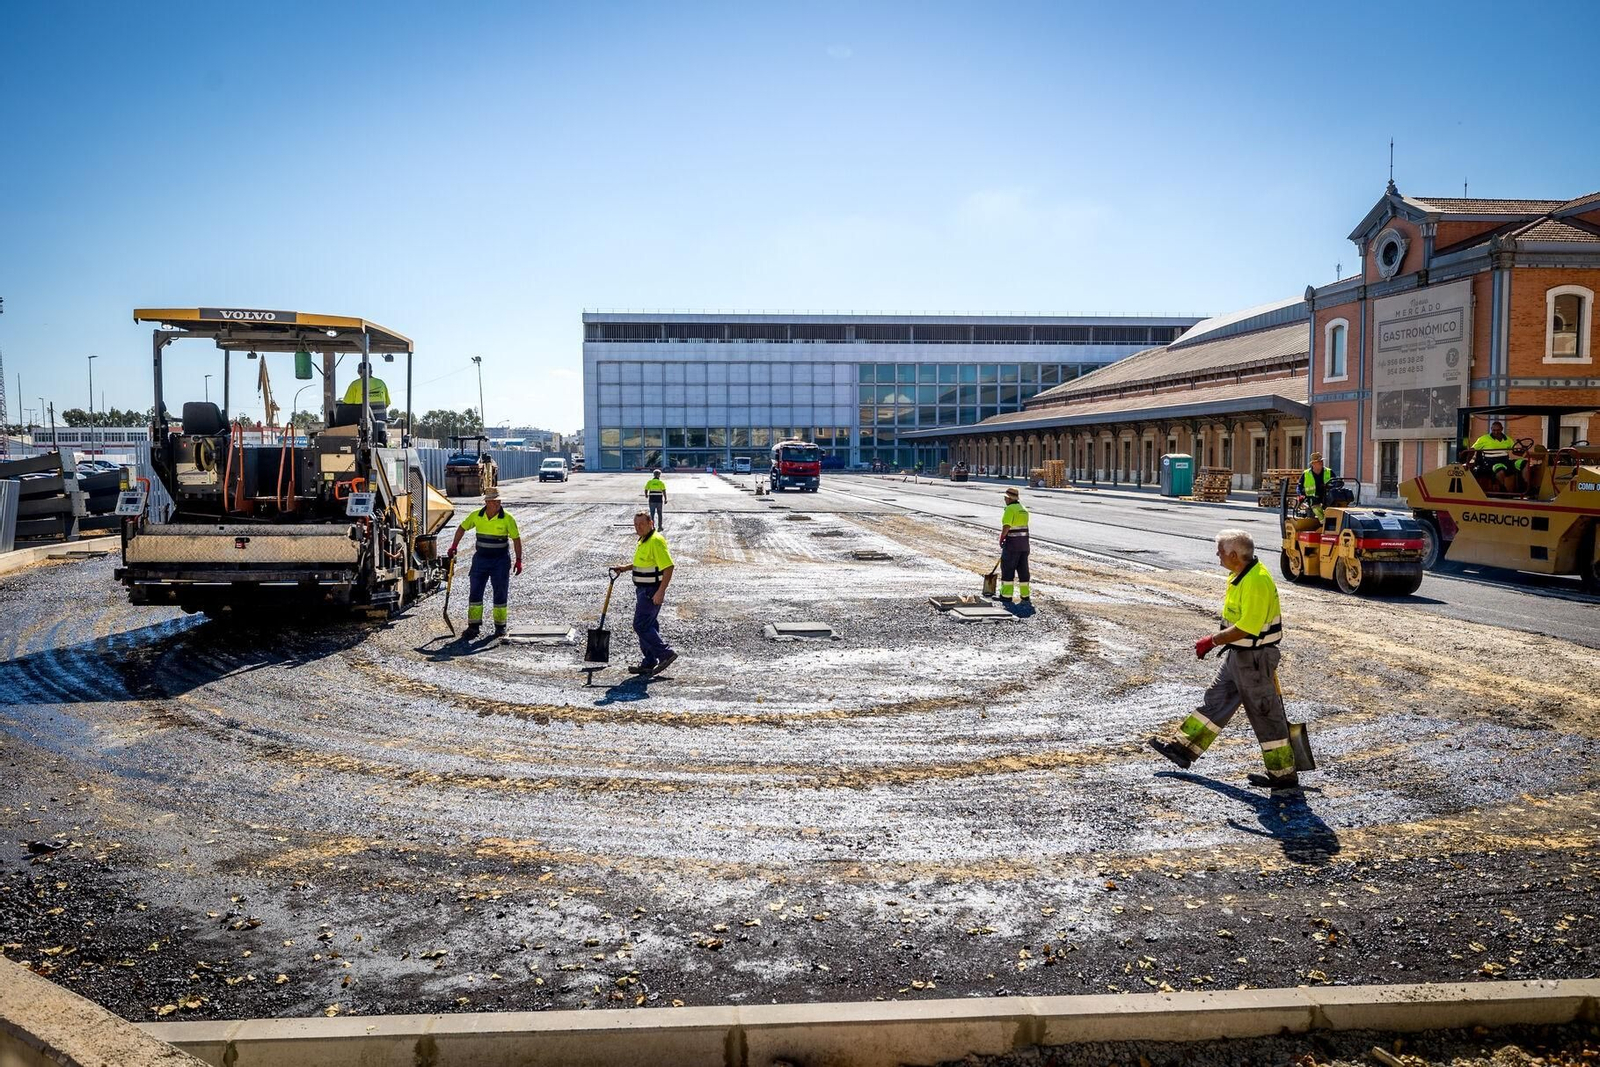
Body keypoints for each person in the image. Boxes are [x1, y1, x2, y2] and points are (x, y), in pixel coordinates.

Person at [1149, 528, 1300, 791]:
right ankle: (1182, 750)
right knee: (1217, 699)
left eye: (1220, 550)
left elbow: (1246, 627)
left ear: (1233, 555)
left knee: (1265, 715)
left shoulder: (1256, 582)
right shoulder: (1240, 574)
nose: (1217, 555)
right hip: (1239, 655)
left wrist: (1212, 640)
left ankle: (1283, 776)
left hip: (1254, 658)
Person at [446, 487, 522, 638]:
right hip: (480, 559)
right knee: (475, 591)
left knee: (500, 592)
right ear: (487, 502)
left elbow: (516, 539)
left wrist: (519, 560)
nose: (498, 503)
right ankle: (473, 626)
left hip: (500, 560)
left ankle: (500, 627)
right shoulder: (476, 516)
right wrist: (454, 545)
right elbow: (461, 528)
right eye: (494, 501)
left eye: (499, 501)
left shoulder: (508, 518)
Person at [611, 511, 677, 676]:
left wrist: (661, 592)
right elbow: (644, 563)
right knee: (649, 625)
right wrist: (625, 568)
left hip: (651, 591)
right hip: (643, 590)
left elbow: (668, 567)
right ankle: (649, 661)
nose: (638, 527)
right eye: (635, 524)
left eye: (641, 524)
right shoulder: (644, 540)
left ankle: (665, 653)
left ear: (651, 523)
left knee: (641, 625)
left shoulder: (655, 541)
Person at [997, 486, 1031, 603]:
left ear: (1010, 499)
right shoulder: (1024, 509)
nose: (1005, 500)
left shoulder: (1010, 510)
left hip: (1012, 546)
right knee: (1023, 570)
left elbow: (1006, 526)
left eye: (1006, 498)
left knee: (1008, 569)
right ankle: (1025, 595)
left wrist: (1002, 538)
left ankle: (1006, 596)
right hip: (1024, 545)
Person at [1468, 420, 1518, 492]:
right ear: (1491, 429)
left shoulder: (1508, 439)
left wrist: (1523, 452)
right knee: (1500, 468)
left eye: (1498, 430)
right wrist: (1467, 462)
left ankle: (1528, 488)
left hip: (1505, 461)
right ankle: (1502, 489)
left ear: (1502, 429)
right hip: (1490, 462)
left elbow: (1515, 451)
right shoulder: (1483, 439)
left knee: (1523, 463)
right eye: (1494, 430)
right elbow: (1472, 450)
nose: (1496, 432)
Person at [1299, 452, 1336, 519]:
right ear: (1313, 464)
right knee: (1315, 505)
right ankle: (1323, 522)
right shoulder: (1306, 474)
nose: (1321, 462)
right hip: (1312, 498)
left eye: (1321, 461)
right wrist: (1301, 496)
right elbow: (1299, 487)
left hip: (1327, 497)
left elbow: (1336, 482)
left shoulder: (1329, 472)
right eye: (1319, 461)